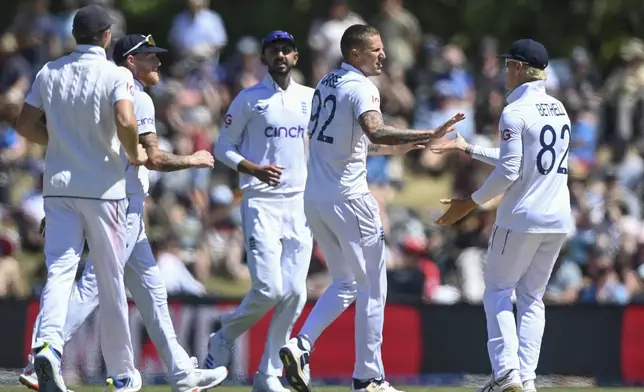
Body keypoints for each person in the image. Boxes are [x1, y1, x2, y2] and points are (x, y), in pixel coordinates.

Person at [19, 34, 228, 392]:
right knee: (94, 287)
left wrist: (62, 210)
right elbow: (153, 158)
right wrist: (195, 158)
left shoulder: (104, 92)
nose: (157, 63)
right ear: (130, 60)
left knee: (152, 294)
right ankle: (42, 357)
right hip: (121, 207)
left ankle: (181, 373)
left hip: (101, 199)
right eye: (149, 57)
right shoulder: (135, 96)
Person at [278, 24, 464, 392]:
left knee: (347, 283)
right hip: (350, 200)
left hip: (315, 198)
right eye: (375, 50)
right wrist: (426, 134)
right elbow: (375, 130)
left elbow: (351, 141)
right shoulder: (362, 87)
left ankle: (300, 345)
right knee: (374, 289)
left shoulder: (326, 84)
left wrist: (399, 146)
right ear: (355, 54)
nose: (383, 55)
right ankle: (369, 378)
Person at [15, 5, 148, 392]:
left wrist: (58, 142)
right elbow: (125, 120)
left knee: (59, 271)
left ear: (75, 35)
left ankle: (48, 347)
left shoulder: (48, 71)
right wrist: (135, 153)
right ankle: (122, 373)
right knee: (109, 279)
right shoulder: (116, 74)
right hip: (104, 190)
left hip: (57, 187)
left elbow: (25, 125)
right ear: (107, 35)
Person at [431, 39, 572, 392]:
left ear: (520, 68)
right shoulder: (559, 108)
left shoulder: (515, 112)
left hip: (521, 217)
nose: (505, 71)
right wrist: (469, 148)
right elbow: (522, 160)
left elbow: (511, 170)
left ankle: (506, 374)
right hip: (556, 220)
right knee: (531, 299)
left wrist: (471, 202)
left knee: (497, 290)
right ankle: (526, 380)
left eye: (509, 64)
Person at [206, 30, 313, 392]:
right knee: (269, 289)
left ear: (295, 57)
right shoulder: (249, 99)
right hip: (261, 202)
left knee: (296, 293)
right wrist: (253, 168)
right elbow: (222, 147)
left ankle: (268, 375)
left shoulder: (311, 99)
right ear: (265, 59)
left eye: (286, 50)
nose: (280, 55)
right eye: (273, 51)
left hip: (301, 204)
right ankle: (224, 335)